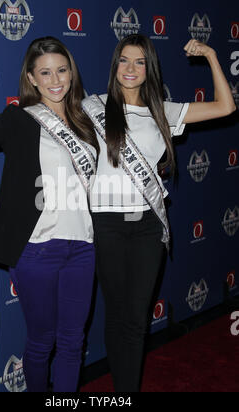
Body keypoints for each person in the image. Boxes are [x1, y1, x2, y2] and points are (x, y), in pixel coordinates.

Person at [0, 37, 100, 392]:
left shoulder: (88, 120)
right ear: (31, 77)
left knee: (74, 343)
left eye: (61, 70)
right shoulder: (19, 119)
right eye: (45, 72)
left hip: (83, 247)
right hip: (37, 248)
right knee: (42, 342)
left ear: (71, 73)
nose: (55, 79)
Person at [82, 34, 236, 392]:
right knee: (118, 315)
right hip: (106, 225)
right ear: (114, 65)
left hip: (149, 227)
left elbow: (226, 107)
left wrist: (212, 56)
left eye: (140, 62)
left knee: (136, 320)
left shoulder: (162, 109)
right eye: (124, 60)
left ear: (149, 68)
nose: (131, 68)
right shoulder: (92, 107)